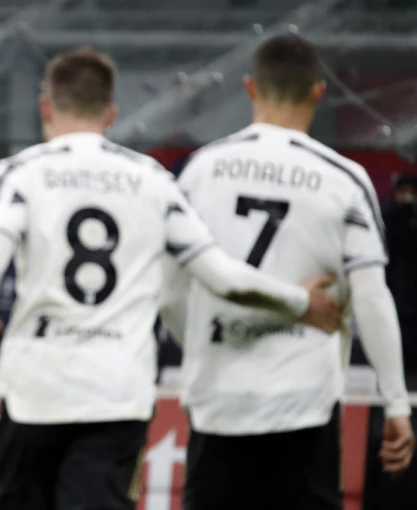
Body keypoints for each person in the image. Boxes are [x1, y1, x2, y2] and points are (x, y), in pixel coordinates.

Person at [0, 47, 341, 510]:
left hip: (34, 390)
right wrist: (300, 302)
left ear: (45, 107)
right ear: (111, 114)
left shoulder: (20, 173)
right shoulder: (151, 179)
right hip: (117, 393)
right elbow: (223, 278)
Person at [172, 34, 414, 510]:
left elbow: (170, 290)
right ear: (318, 92)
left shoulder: (200, 171)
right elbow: (371, 296)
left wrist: (201, 342)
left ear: (250, 87)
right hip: (302, 402)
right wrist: (396, 403)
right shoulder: (344, 179)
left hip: (218, 396)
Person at [383, 173, 417, 388]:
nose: (408, 197)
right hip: (394, 298)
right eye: (403, 192)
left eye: (412, 193)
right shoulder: (388, 217)